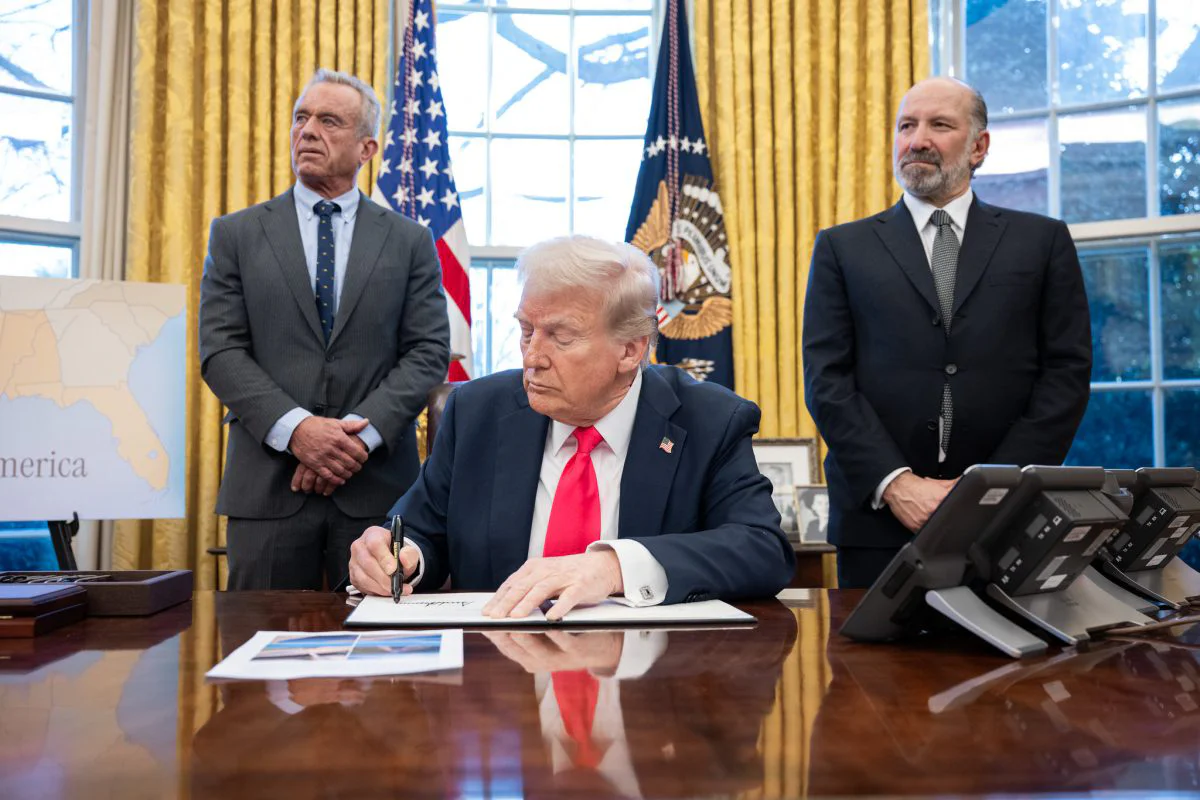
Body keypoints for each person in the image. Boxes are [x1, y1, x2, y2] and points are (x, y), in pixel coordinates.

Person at [348, 235, 795, 618]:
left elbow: (761, 549)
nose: (532, 357)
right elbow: (421, 532)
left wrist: (614, 567)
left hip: (650, 674)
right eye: (527, 330)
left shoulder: (708, 420)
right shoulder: (477, 412)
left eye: (560, 337)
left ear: (630, 350)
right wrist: (397, 557)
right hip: (500, 671)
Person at [802, 77, 1092, 589]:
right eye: (906, 126)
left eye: (939, 125)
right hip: (878, 522)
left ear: (979, 146)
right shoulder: (841, 248)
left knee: (1007, 646)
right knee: (873, 647)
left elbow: (1065, 374)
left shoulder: (1042, 242)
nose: (917, 140)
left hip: (1010, 522)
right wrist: (896, 484)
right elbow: (827, 381)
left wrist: (994, 489)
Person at [199, 68, 450, 590]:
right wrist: (298, 432)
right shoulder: (236, 234)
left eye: (329, 121)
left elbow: (428, 351)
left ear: (366, 148)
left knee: (378, 639)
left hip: (376, 489)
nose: (308, 130)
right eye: (301, 118)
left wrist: (355, 439)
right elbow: (221, 350)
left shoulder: (410, 241)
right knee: (255, 638)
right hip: (268, 486)